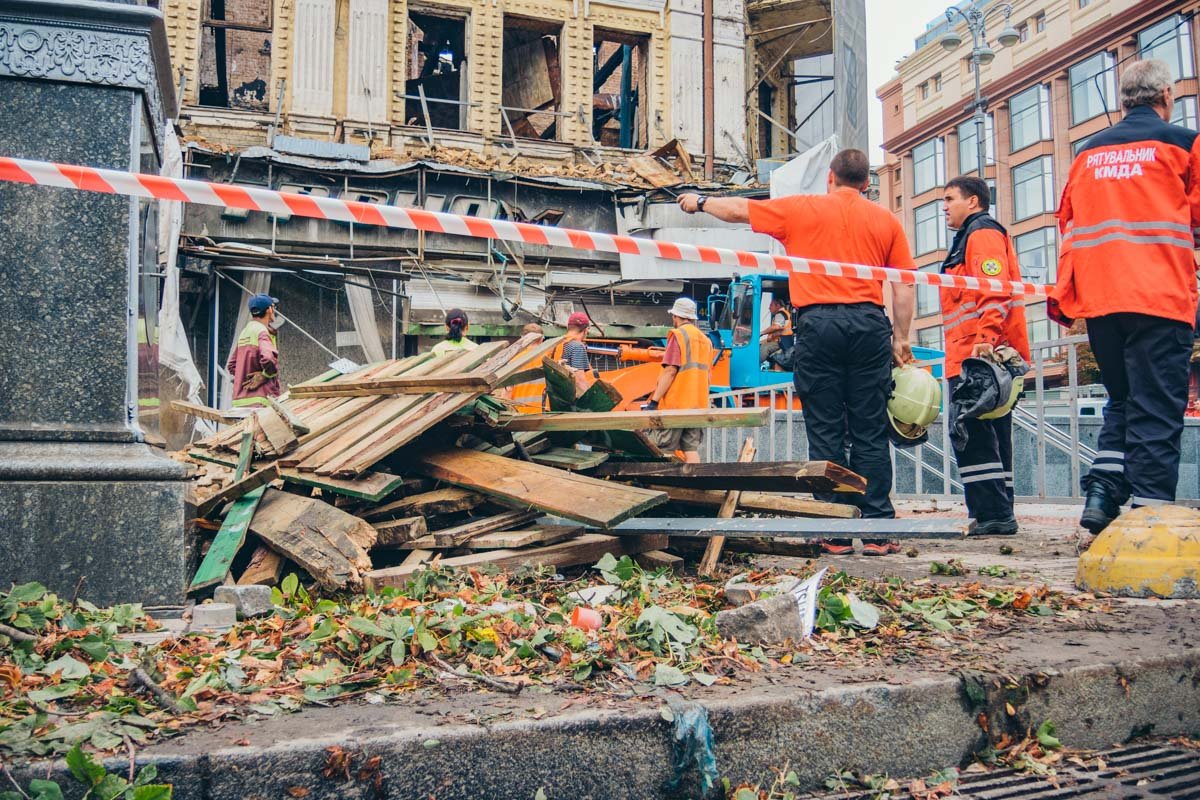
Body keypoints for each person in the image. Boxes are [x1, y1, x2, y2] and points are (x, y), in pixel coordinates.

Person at [678, 148, 916, 556]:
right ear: (865, 183)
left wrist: (699, 201)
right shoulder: (886, 220)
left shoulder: (802, 209)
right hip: (868, 324)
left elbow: (739, 210)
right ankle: (877, 528)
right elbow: (905, 284)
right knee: (869, 428)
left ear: (830, 177)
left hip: (819, 325)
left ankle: (833, 529)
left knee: (824, 427)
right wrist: (901, 336)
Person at [1050, 59, 1200, 534]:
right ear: (1167, 96)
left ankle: (1101, 495)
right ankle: (1151, 521)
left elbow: (1068, 221)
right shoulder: (1184, 144)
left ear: (1123, 100)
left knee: (1123, 399)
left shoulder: (1086, 153)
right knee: (1156, 407)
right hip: (1159, 296)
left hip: (1101, 300)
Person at [940, 175, 1031, 535]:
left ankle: (993, 512)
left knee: (970, 431)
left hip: (977, 355)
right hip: (977, 352)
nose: (944, 207)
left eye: (950, 199)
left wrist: (986, 339)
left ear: (973, 202)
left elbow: (994, 291)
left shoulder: (982, 234)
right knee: (990, 432)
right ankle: (997, 512)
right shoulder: (972, 236)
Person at [641, 297, 714, 463]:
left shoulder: (679, 335)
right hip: (697, 406)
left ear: (676, 316)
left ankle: (660, 486)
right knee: (691, 450)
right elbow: (708, 375)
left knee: (662, 448)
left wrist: (654, 402)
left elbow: (670, 371)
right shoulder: (706, 341)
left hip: (677, 405)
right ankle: (698, 485)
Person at [227, 293, 281, 408]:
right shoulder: (262, 331)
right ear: (269, 310)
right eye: (274, 307)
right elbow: (268, 359)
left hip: (239, 403)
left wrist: (245, 376)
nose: (275, 310)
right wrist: (264, 375)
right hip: (261, 402)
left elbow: (232, 365)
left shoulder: (245, 331)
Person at [759, 297, 792, 370]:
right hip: (780, 341)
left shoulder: (780, 314)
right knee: (759, 344)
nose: (769, 307)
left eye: (771, 305)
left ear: (777, 306)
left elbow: (776, 327)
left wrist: (762, 333)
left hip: (782, 343)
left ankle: (754, 365)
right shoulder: (782, 314)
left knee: (765, 348)